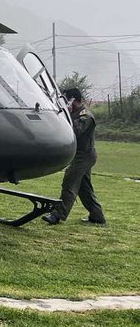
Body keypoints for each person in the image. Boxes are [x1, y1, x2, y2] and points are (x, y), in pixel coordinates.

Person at [43, 88, 105, 225]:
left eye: (67, 101)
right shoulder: (73, 114)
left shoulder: (85, 116)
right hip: (79, 155)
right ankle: (97, 217)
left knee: (69, 182)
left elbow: (74, 131)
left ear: (74, 100)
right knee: (84, 188)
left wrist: (63, 117)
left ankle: (57, 215)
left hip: (84, 156)